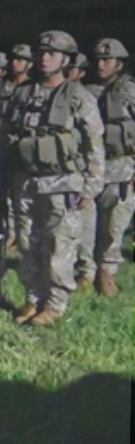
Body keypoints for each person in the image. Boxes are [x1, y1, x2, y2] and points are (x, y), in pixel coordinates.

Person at [0, 31, 104, 326]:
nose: (44, 58)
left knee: (60, 244)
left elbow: (94, 143)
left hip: (63, 181)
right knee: (27, 241)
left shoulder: (78, 97)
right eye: (41, 53)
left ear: (66, 59)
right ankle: (33, 298)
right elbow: (6, 136)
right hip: (26, 179)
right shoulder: (22, 94)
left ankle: (55, 303)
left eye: (52, 53)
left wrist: (92, 185)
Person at [75, 38, 135, 297]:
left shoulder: (130, 91)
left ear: (119, 64)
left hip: (122, 167)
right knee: (85, 225)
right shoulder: (82, 92)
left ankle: (107, 271)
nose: (101, 64)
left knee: (114, 224)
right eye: (98, 59)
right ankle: (85, 271)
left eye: (107, 60)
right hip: (88, 168)